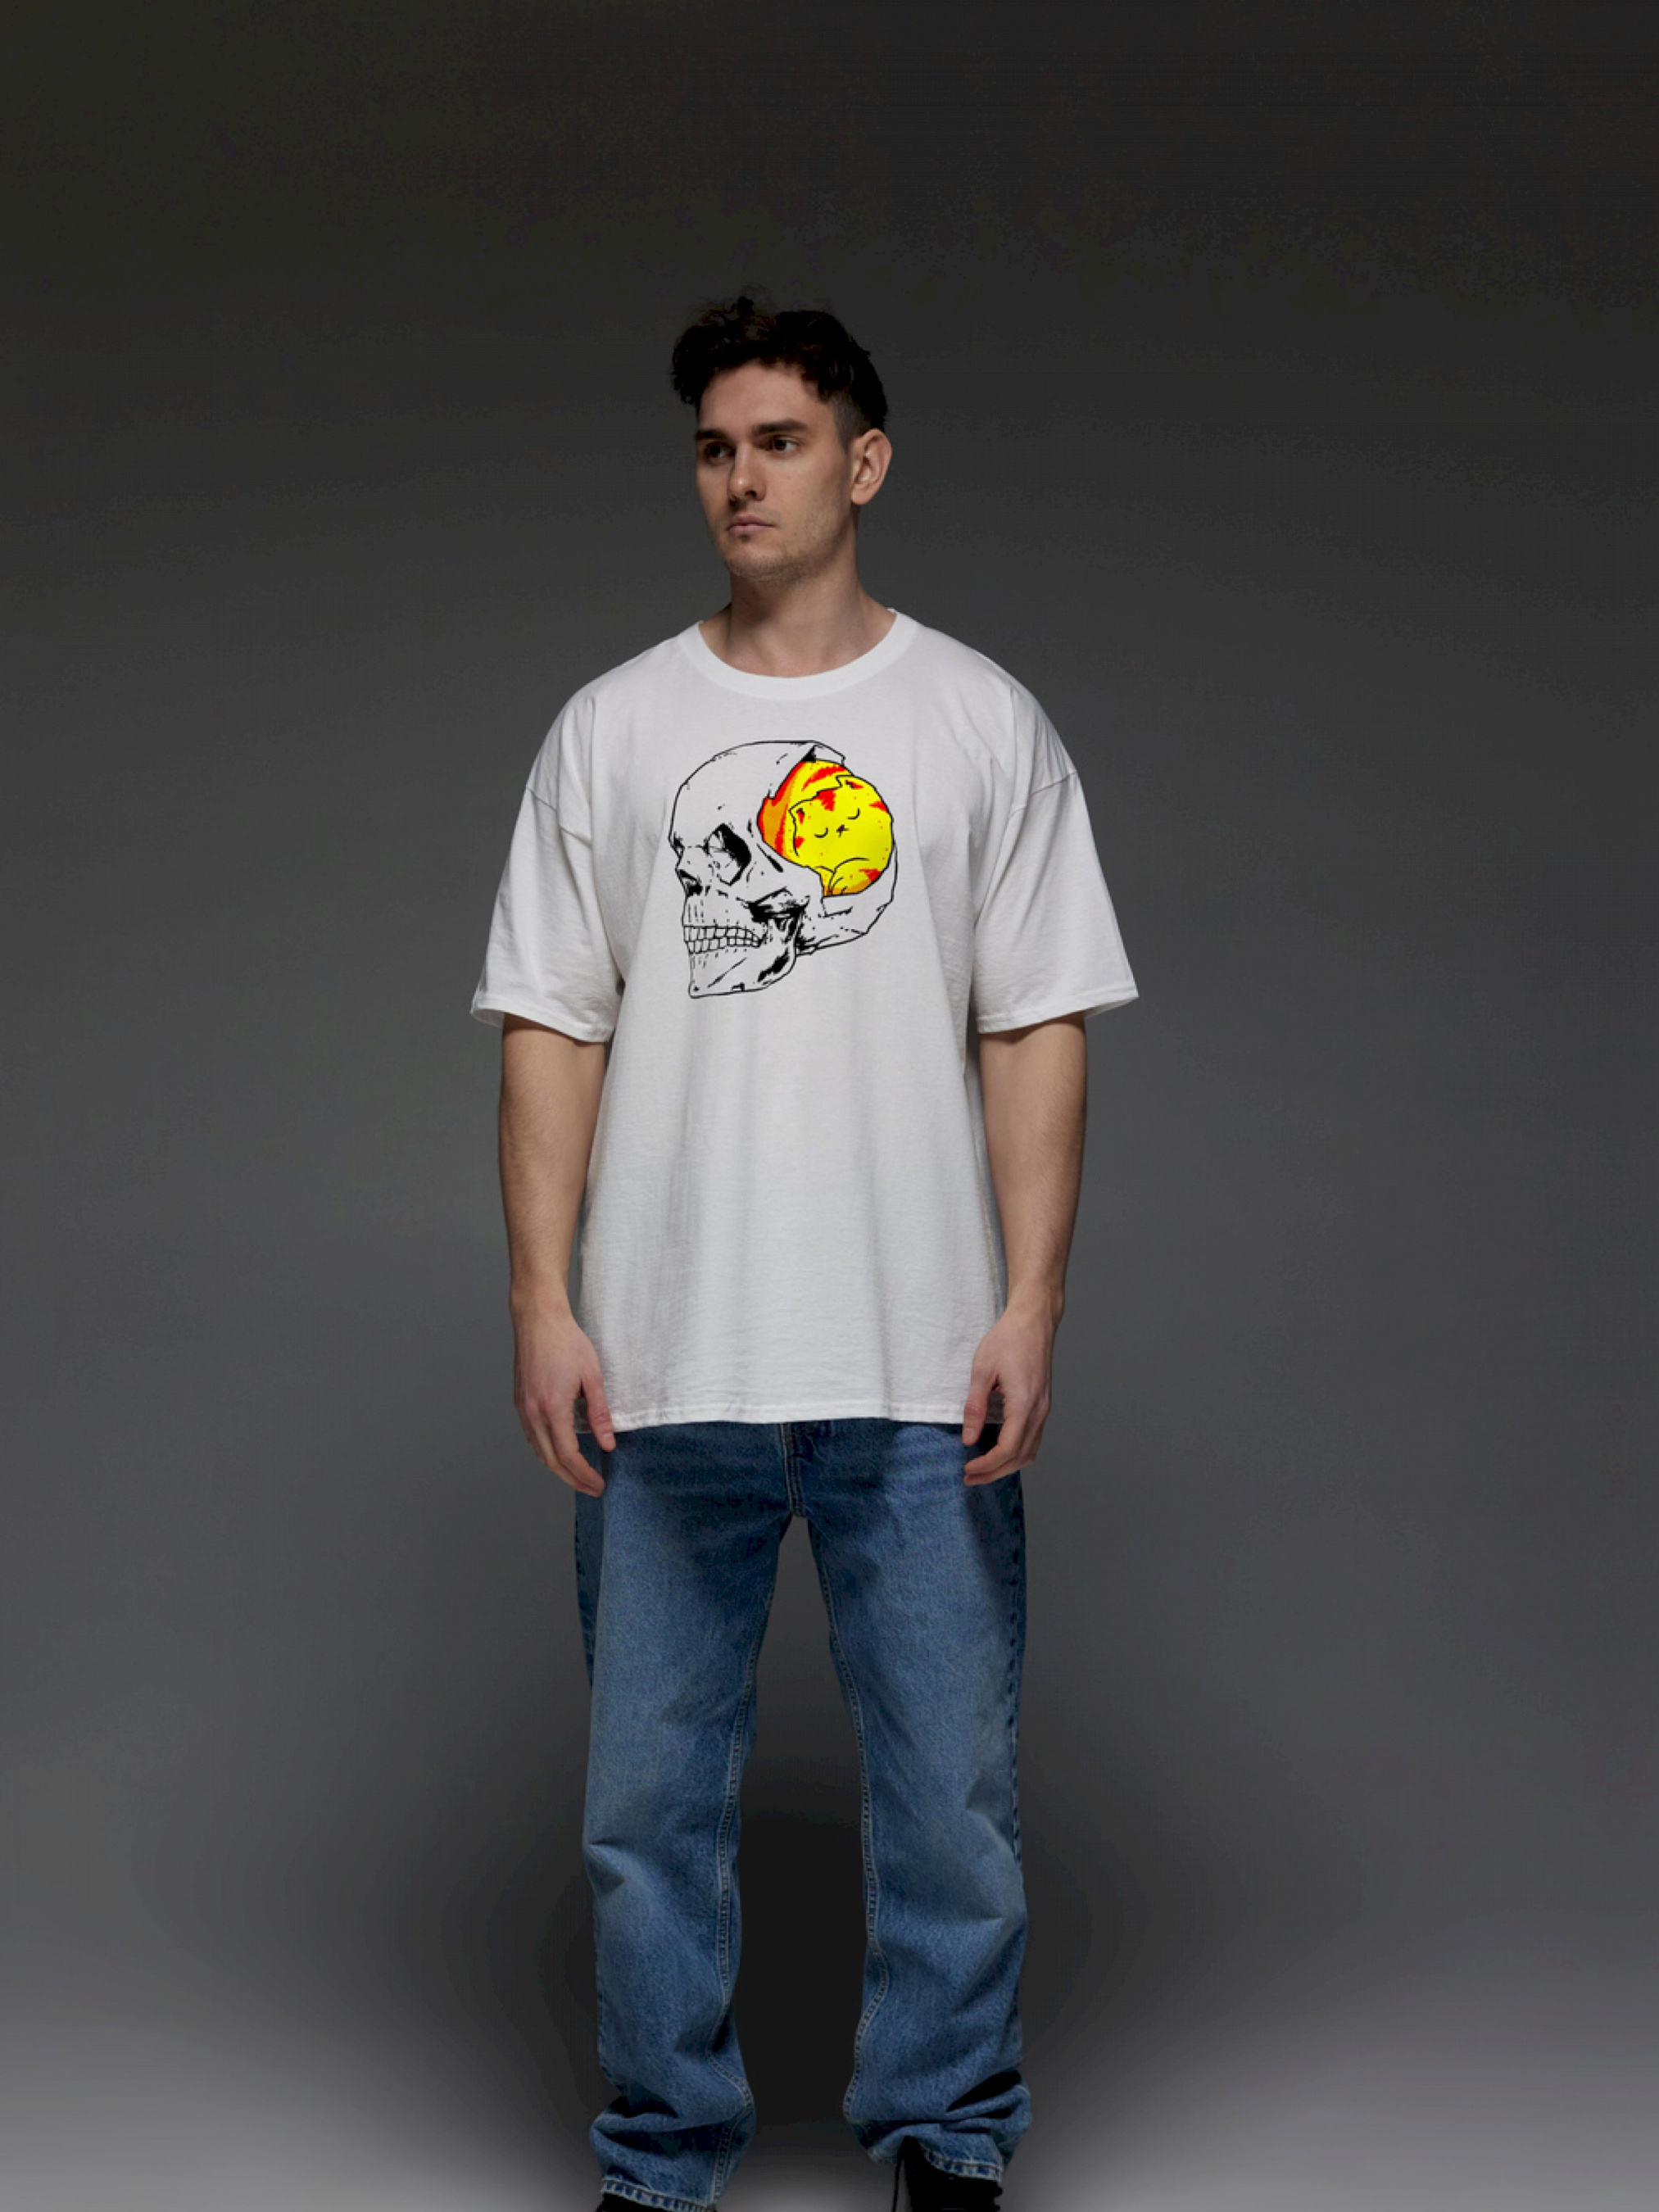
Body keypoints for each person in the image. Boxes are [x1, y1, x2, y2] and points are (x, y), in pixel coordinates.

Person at [470, 294, 1138, 2212]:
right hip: (661, 1361)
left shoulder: (976, 721)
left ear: (864, 462)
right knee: (641, 1807)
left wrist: (1029, 1302)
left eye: (776, 441)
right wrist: (540, 1302)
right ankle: (660, 2146)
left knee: (950, 1796)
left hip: (917, 1360)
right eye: (712, 447)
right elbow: (551, 1030)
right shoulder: (611, 729)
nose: (738, 479)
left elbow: (1032, 1026)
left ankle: (945, 2131)